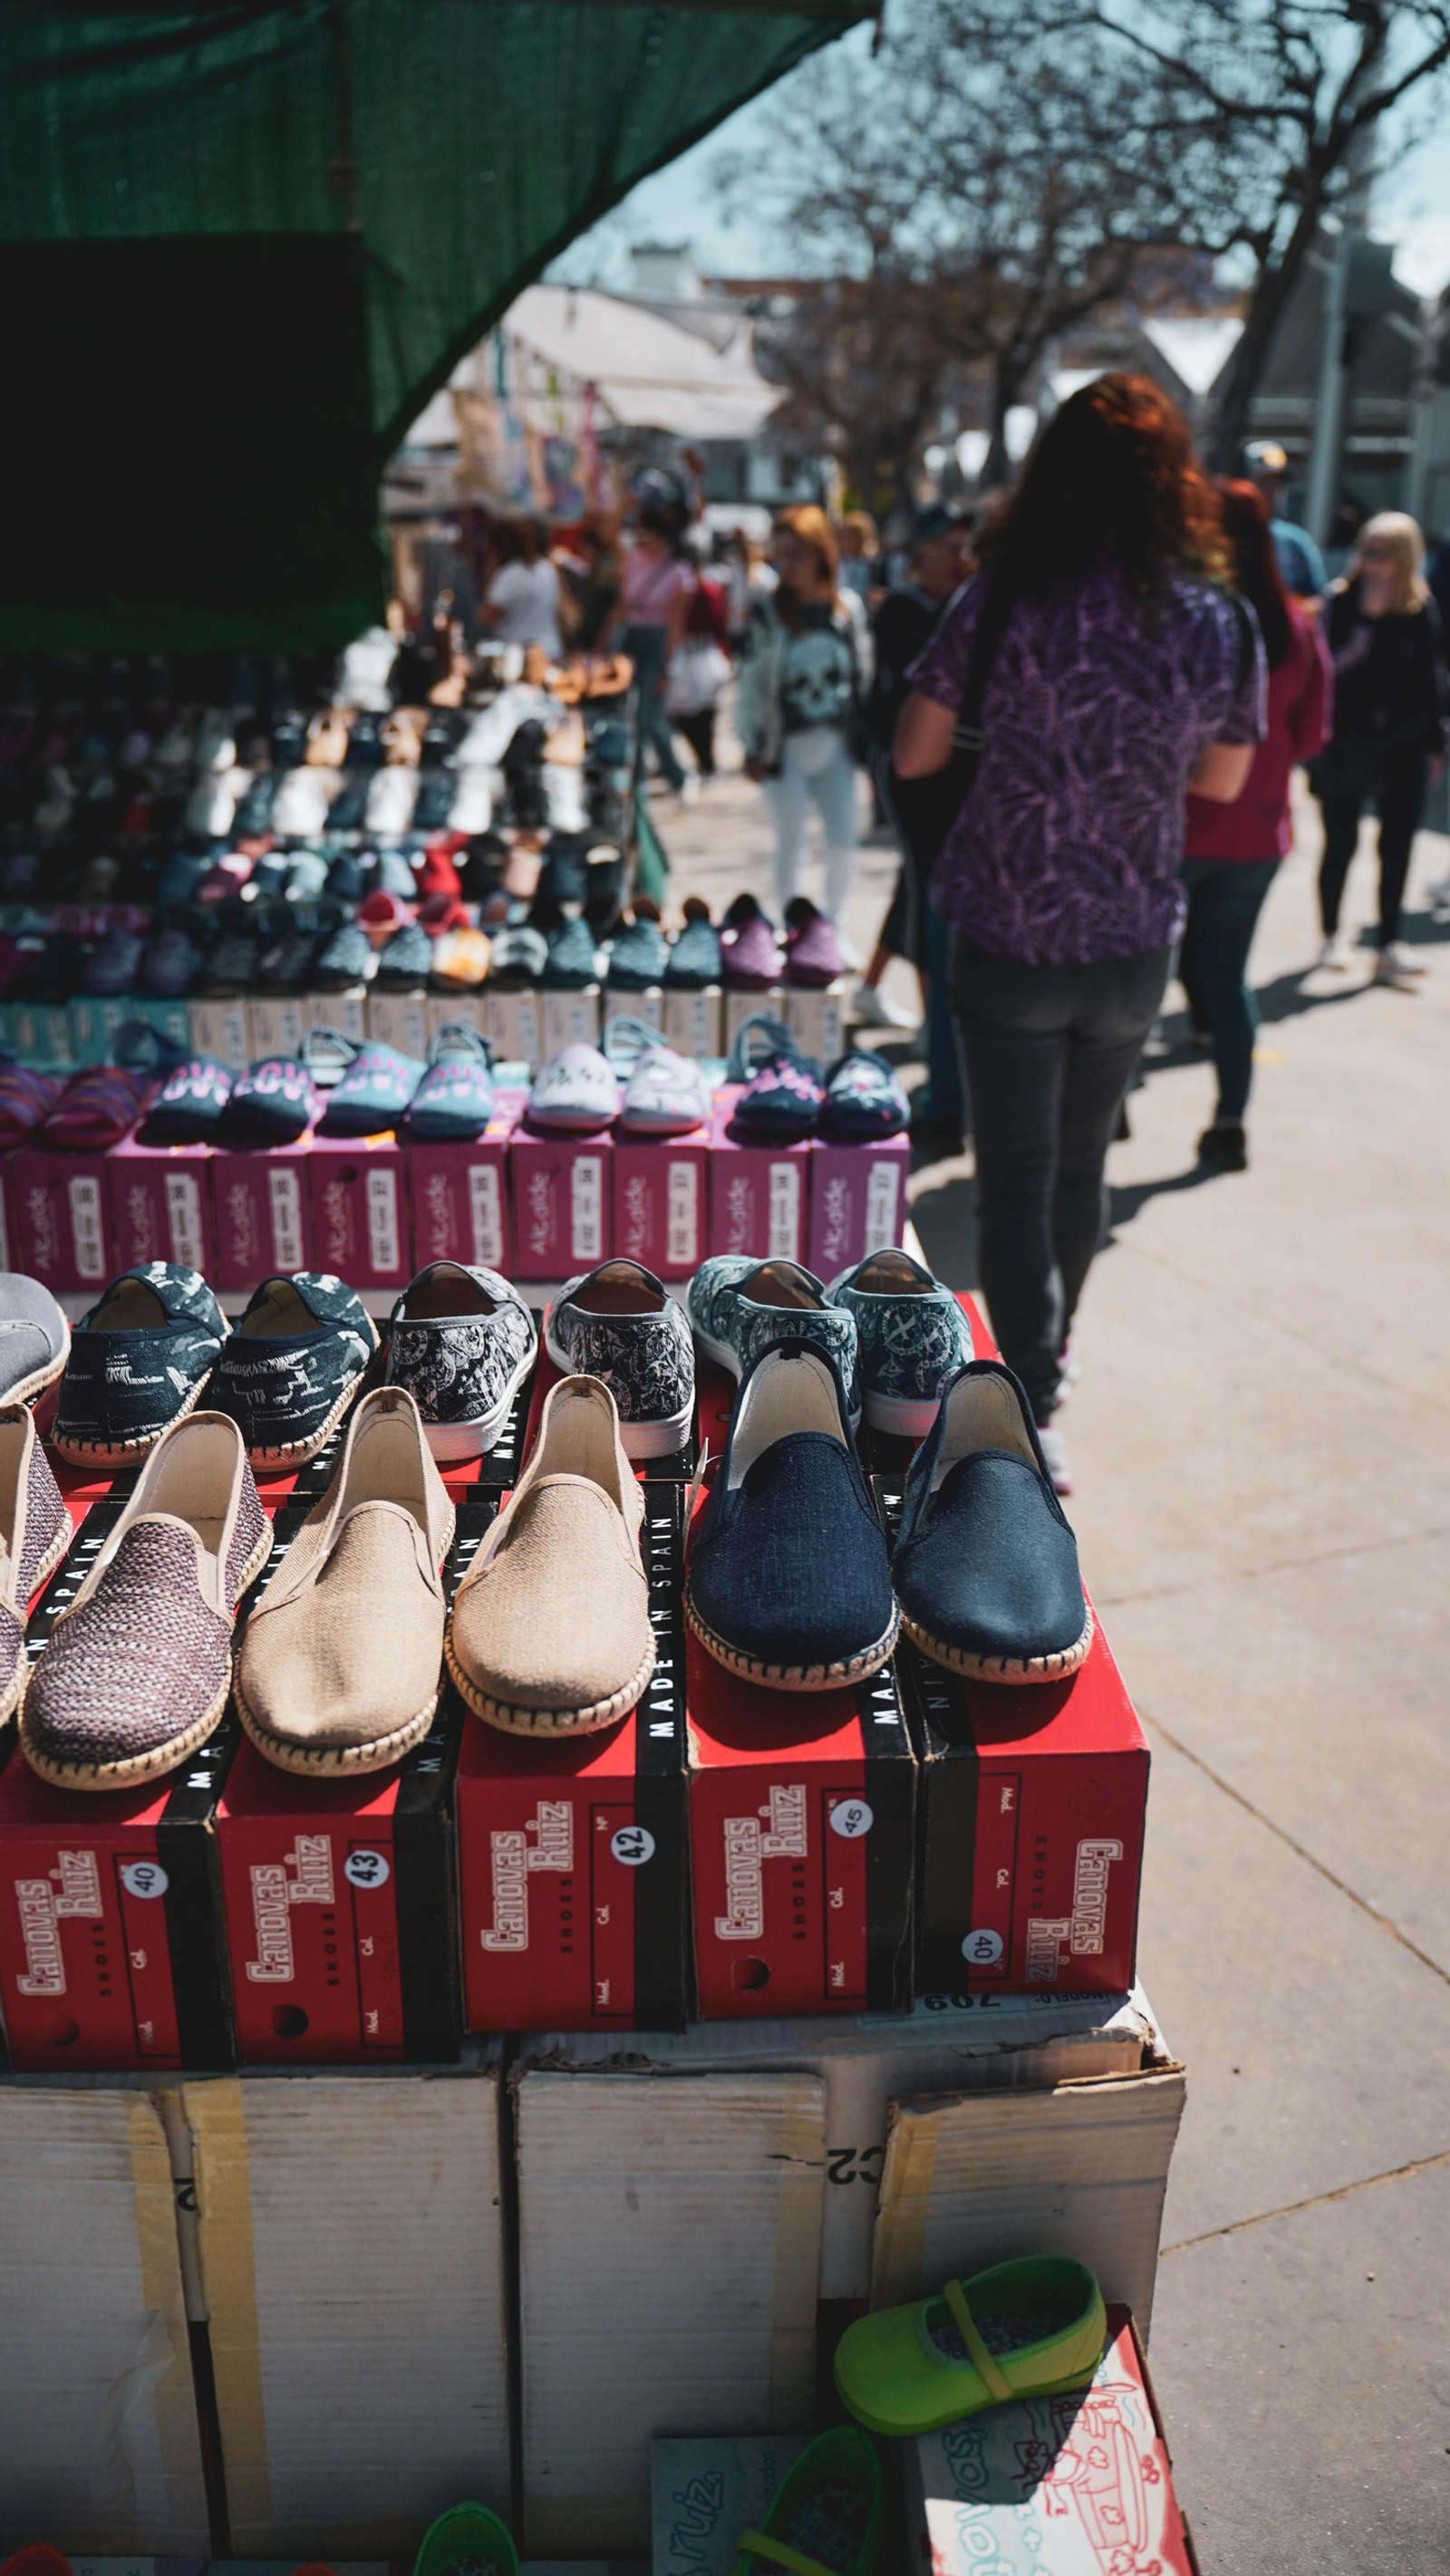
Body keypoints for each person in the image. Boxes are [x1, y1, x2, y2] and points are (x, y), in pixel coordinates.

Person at [895, 374, 1266, 1492]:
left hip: (1006, 927)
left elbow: (915, 752)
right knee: (1077, 1168)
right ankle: (1047, 1374)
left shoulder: (1000, 596)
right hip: (1130, 934)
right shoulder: (1216, 617)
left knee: (1012, 1180)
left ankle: (1030, 1396)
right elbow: (1224, 776)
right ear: (1172, 485)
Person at [1181, 481, 1332, 1171]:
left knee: (1138, 973)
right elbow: (1311, 735)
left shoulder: (1195, 617)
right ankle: (1231, 1116)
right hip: (1257, 831)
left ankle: (1110, 1108)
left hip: (1180, 825)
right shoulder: (1297, 624)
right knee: (1226, 974)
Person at [856, 507, 977, 1101]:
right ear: (918, 556)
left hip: (950, 772)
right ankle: (937, 1030)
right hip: (906, 767)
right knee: (931, 889)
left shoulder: (965, 607)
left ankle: (879, 989)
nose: (962, 560)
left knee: (922, 884)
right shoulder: (906, 610)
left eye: (967, 548)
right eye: (949, 548)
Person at [1312, 510, 1449, 988]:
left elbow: (1434, 681)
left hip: (1405, 747)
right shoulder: (1341, 600)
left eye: (1383, 554)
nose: (1373, 563)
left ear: (1405, 559)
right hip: (1348, 744)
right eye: (1367, 551)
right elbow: (1324, 674)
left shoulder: (1420, 608)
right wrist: (1365, 627)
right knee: (1341, 843)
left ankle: (1388, 944)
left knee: (1396, 849)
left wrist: (1437, 743)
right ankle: (1331, 934)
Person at [735, 505, 873, 939]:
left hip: (836, 742)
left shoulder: (846, 610)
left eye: (796, 554)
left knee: (841, 841)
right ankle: (789, 928)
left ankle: (832, 927)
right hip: (785, 745)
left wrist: (865, 735)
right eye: (781, 555)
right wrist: (751, 745)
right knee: (790, 844)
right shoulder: (768, 615)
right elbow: (750, 685)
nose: (787, 565)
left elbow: (862, 672)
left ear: (820, 554)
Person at [612, 507, 696, 797]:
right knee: (631, 712)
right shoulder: (633, 561)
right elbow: (622, 606)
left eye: (645, 534)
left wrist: (667, 665)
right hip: (629, 638)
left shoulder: (679, 572)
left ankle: (646, 777)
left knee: (647, 714)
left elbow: (676, 624)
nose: (639, 540)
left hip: (656, 642)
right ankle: (662, 774)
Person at [667, 545, 732, 781]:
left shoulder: (708, 590)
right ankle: (703, 760)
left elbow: (720, 625)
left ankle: (707, 761)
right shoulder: (678, 590)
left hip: (704, 656)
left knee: (705, 713)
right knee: (683, 713)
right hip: (685, 656)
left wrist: (725, 655)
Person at [1244, 441, 1326, 601]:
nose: (1271, 490)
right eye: (1263, 481)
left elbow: (1319, 599)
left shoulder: (1295, 541)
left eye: (1276, 482)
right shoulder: (1224, 536)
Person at [482, 518, 563, 655]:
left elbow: (489, 616)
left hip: (523, 655)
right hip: (552, 648)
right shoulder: (546, 567)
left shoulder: (510, 575)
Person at [836, 512, 883, 603]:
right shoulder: (841, 562)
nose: (844, 542)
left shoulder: (875, 562)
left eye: (849, 537)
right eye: (842, 538)